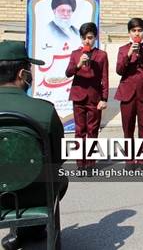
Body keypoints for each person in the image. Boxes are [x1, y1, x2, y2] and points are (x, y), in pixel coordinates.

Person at [0, 41, 69, 250]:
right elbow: (59, 157)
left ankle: (22, 233)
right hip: (34, 195)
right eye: (29, 70)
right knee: (58, 176)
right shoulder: (44, 111)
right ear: (22, 74)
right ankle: (31, 229)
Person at [65, 22, 108, 170]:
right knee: (79, 131)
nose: (87, 41)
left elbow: (105, 78)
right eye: (84, 38)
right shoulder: (75, 54)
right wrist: (78, 64)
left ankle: (90, 164)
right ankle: (80, 164)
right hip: (78, 97)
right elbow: (68, 73)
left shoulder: (101, 55)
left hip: (94, 98)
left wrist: (104, 98)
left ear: (95, 37)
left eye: (89, 38)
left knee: (92, 131)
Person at [115, 18, 143, 143]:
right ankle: (129, 153)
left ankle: (142, 153)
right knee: (127, 128)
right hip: (127, 95)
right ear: (129, 32)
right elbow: (119, 70)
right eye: (133, 30)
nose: (137, 33)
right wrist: (129, 54)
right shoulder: (123, 49)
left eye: (140, 30)